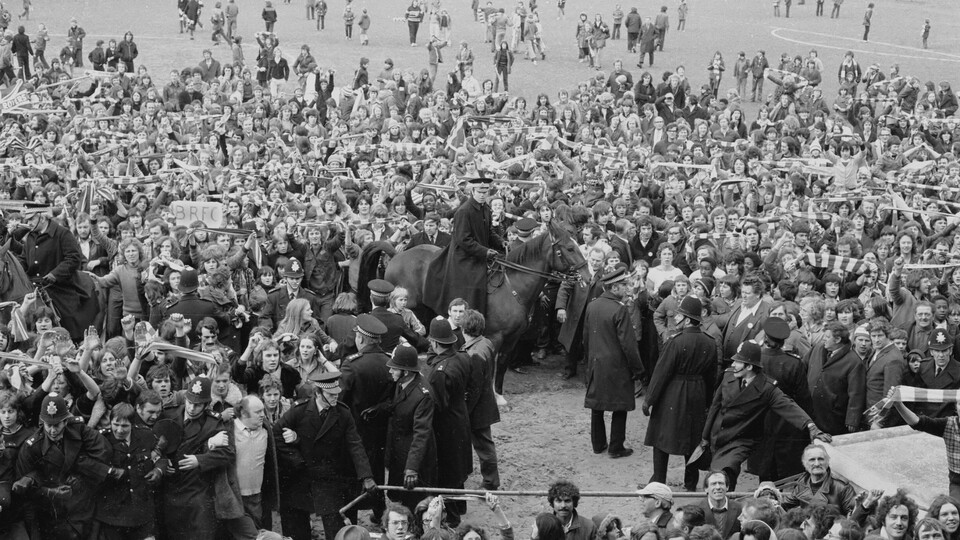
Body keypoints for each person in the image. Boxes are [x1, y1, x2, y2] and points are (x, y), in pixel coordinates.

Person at [700, 341, 832, 490]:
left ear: (749, 366)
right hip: (718, 435)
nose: (733, 365)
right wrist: (705, 437)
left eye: (738, 362)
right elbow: (715, 406)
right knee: (721, 474)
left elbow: (788, 406)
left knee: (724, 471)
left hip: (741, 438)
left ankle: (723, 504)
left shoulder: (767, 388)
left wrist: (811, 426)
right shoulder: (728, 376)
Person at [274, 370, 378, 540]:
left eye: (337, 393)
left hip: (329, 480)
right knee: (297, 530)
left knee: (336, 529)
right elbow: (277, 433)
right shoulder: (299, 411)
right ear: (318, 393)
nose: (335, 397)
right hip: (301, 478)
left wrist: (366, 476)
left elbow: (355, 445)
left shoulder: (343, 413)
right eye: (330, 394)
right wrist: (296, 459)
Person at [643, 296, 717, 490]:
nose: (676, 318)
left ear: (687, 319)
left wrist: (649, 400)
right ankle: (690, 483)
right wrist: (708, 401)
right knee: (692, 438)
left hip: (673, 392)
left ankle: (658, 480)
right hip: (698, 392)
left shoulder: (675, 341)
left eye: (680, 315)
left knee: (661, 437)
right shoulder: (709, 342)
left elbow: (661, 373)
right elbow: (712, 376)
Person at [15, 394, 111, 540]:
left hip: (83, 507)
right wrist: (49, 491)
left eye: (57, 425)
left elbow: (105, 452)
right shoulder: (31, 447)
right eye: (49, 425)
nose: (53, 430)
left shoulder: (80, 431)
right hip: (53, 514)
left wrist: (81, 470)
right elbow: (23, 488)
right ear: (42, 422)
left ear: (66, 422)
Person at [583, 266, 645, 459]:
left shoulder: (592, 306)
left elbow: (585, 338)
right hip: (617, 366)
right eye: (624, 285)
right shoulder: (619, 309)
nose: (627, 288)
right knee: (620, 406)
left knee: (597, 405)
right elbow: (628, 344)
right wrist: (638, 369)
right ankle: (616, 447)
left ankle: (598, 444)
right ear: (614, 287)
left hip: (595, 363)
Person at [339, 314, 394, 521]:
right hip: (380, 432)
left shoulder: (351, 364)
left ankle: (351, 521)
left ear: (361, 339)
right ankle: (380, 515)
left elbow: (340, 398)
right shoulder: (389, 361)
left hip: (355, 432)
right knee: (377, 473)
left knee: (352, 477)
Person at [423, 177, 504, 316]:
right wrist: (485, 252)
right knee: (477, 284)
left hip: (479, 253)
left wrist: (500, 242)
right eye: (480, 191)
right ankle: (470, 318)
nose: (483, 194)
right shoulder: (464, 211)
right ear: (473, 191)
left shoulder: (486, 208)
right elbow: (463, 240)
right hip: (465, 257)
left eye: (486, 191)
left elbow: (489, 232)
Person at [10, 209, 94, 341]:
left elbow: (73, 258)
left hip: (58, 285)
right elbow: (24, 259)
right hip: (33, 285)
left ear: (42, 218)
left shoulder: (63, 233)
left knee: (69, 316)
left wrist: (54, 275)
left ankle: (73, 342)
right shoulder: (31, 236)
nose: (28, 223)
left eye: (31, 219)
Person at [421, 318, 472, 525]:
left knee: (447, 470)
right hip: (461, 418)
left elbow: (439, 404)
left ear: (433, 342)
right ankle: (460, 505)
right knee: (458, 466)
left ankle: (452, 516)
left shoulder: (439, 372)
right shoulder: (462, 358)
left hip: (446, 426)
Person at [749, 317, 813, 481]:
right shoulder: (793, 363)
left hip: (759, 420)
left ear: (765, 338)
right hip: (788, 423)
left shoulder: (755, 360)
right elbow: (804, 399)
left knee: (765, 473)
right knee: (788, 475)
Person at [383, 345, 437, 512]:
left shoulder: (423, 394)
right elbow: (398, 405)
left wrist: (412, 468)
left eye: (394, 368)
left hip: (414, 457)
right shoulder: (402, 383)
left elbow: (421, 434)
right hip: (399, 451)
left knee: (415, 503)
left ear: (405, 371)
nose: (391, 371)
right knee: (398, 496)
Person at [460, 309, 501, 491]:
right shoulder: (486, 343)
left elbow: (474, 389)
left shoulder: (473, 353)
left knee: (484, 447)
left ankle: (490, 482)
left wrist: (465, 411)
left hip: (477, 409)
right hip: (485, 404)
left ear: (463, 329)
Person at [806, 322, 866, 435]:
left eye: (827, 337)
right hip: (811, 411)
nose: (824, 339)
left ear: (838, 339)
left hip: (833, 417)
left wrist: (852, 419)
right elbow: (803, 366)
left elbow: (856, 393)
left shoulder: (854, 362)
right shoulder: (818, 348)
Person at [556, 246, 605, 379]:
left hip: (594, 315)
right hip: (576, 312)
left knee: (592, 344)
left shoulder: (606, 274)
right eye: (593, 259)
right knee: (571, 342)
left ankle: (590, 375)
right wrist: (561, 308)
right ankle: (569, 370)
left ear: (603, 262)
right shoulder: (577, 270)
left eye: (598, 261)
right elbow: (564, 288)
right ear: (588, 257)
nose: (595, 263)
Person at [780, 445, 858, 515]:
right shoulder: (802, 484)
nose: (817, 464)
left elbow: (854, 516)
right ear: (804, 464)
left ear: (827, 462)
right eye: (812, 460)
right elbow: (785, 505)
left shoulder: (842, 487)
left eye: (820, 459)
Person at [698, 471, 743, 540]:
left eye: (721, 483)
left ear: (727, 487)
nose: (718, 487)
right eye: (713, 484)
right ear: (706, 489)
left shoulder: (740, 508)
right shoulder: (696, 509)